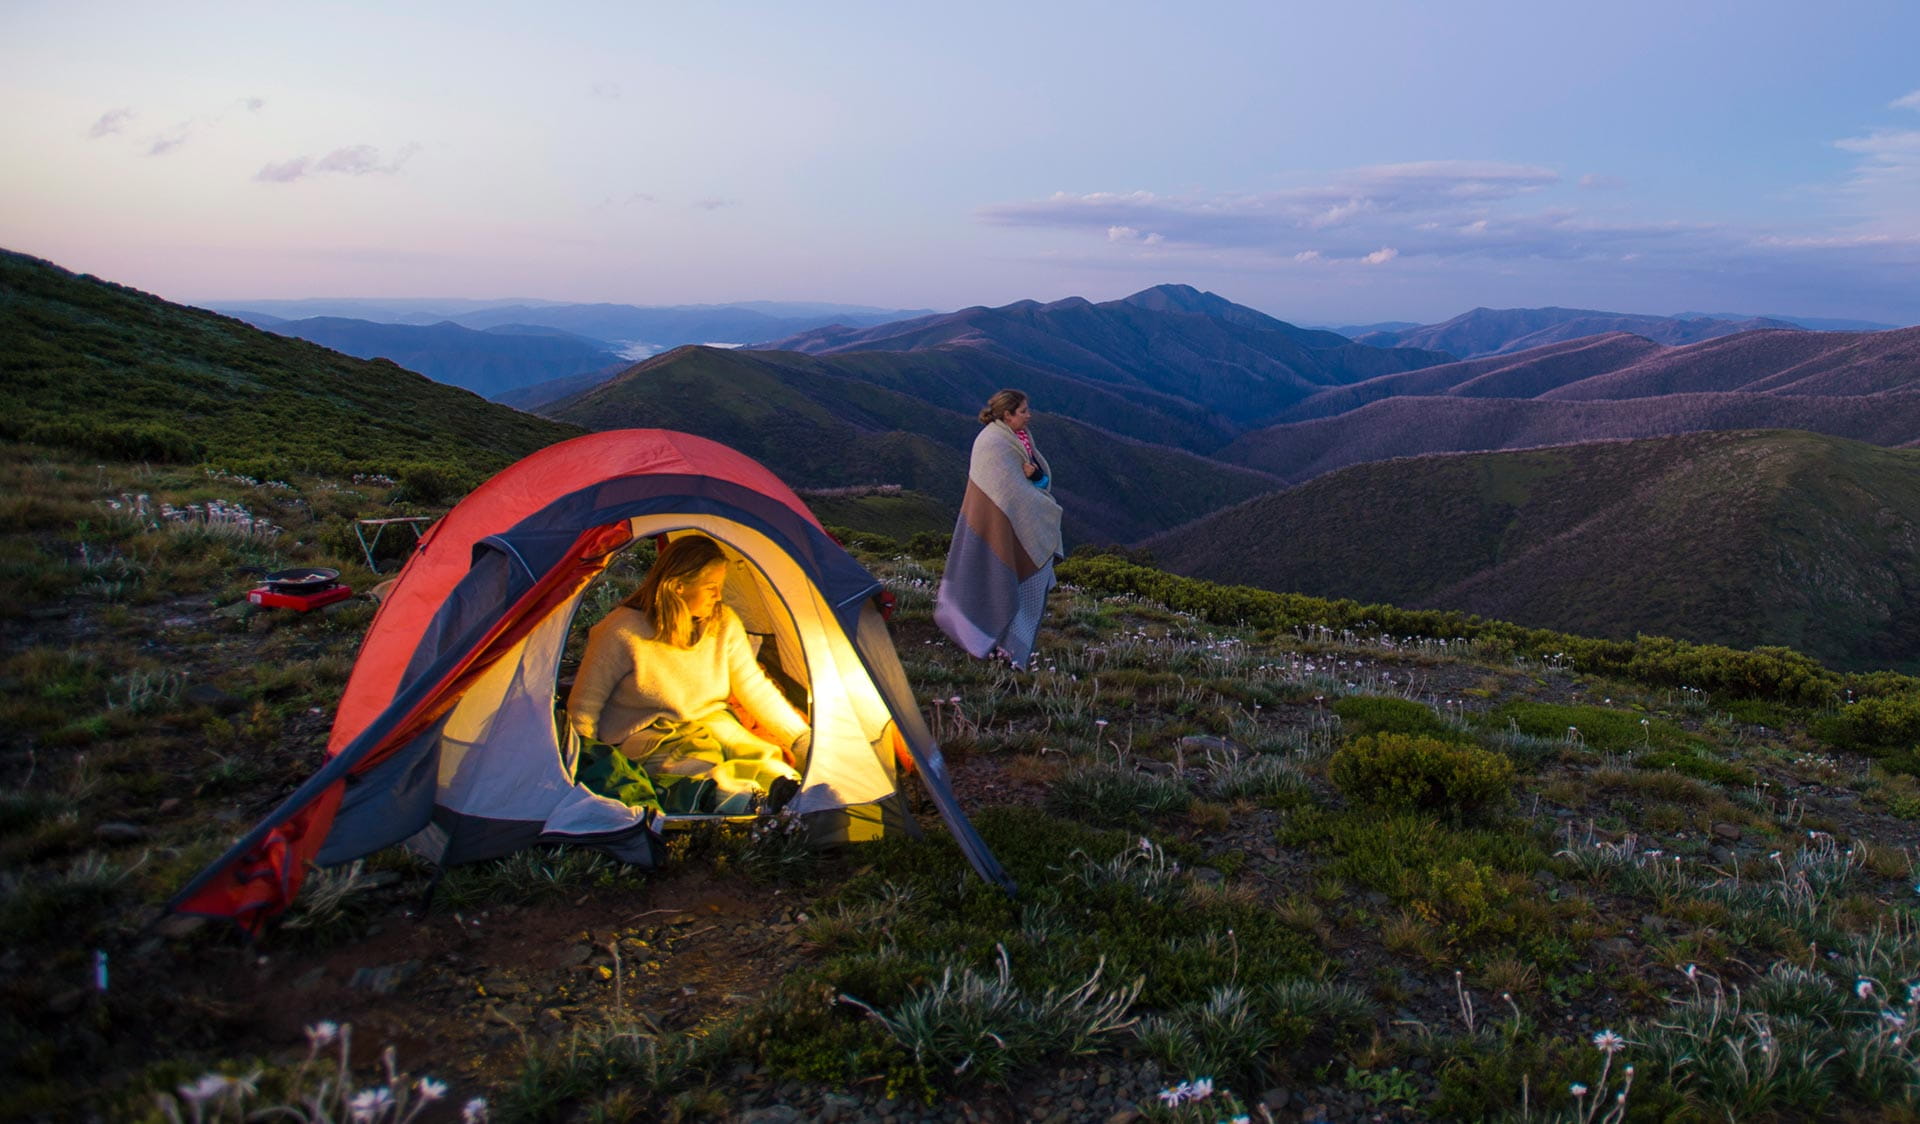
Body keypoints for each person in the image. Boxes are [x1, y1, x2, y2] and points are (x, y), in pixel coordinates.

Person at [567, 535, 806, 812]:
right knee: (701, 773)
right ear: (678, 587)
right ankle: (740, 805)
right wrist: (583, 764)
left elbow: (754, 687)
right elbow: (584, 706)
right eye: (711, 587)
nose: (718, 596)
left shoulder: (723, 622)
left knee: (769, 763)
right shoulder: (622, 631)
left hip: (713, 723)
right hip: (653, 735)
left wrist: (800, 738)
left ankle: (786, 795)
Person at [934, 389, 1064, 670]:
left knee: (1027, 591)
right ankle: (999, 648)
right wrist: (1047, 509)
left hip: (1018, 524)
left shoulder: (1021, 439)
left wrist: (1039, 481)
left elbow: (1035, 480)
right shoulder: (992, 443)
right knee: (1000, 583)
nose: (1029, 416)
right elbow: (1006, 495)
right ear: (1007, 414)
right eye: (1023, 411)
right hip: (997, 527)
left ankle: (1013, 650)